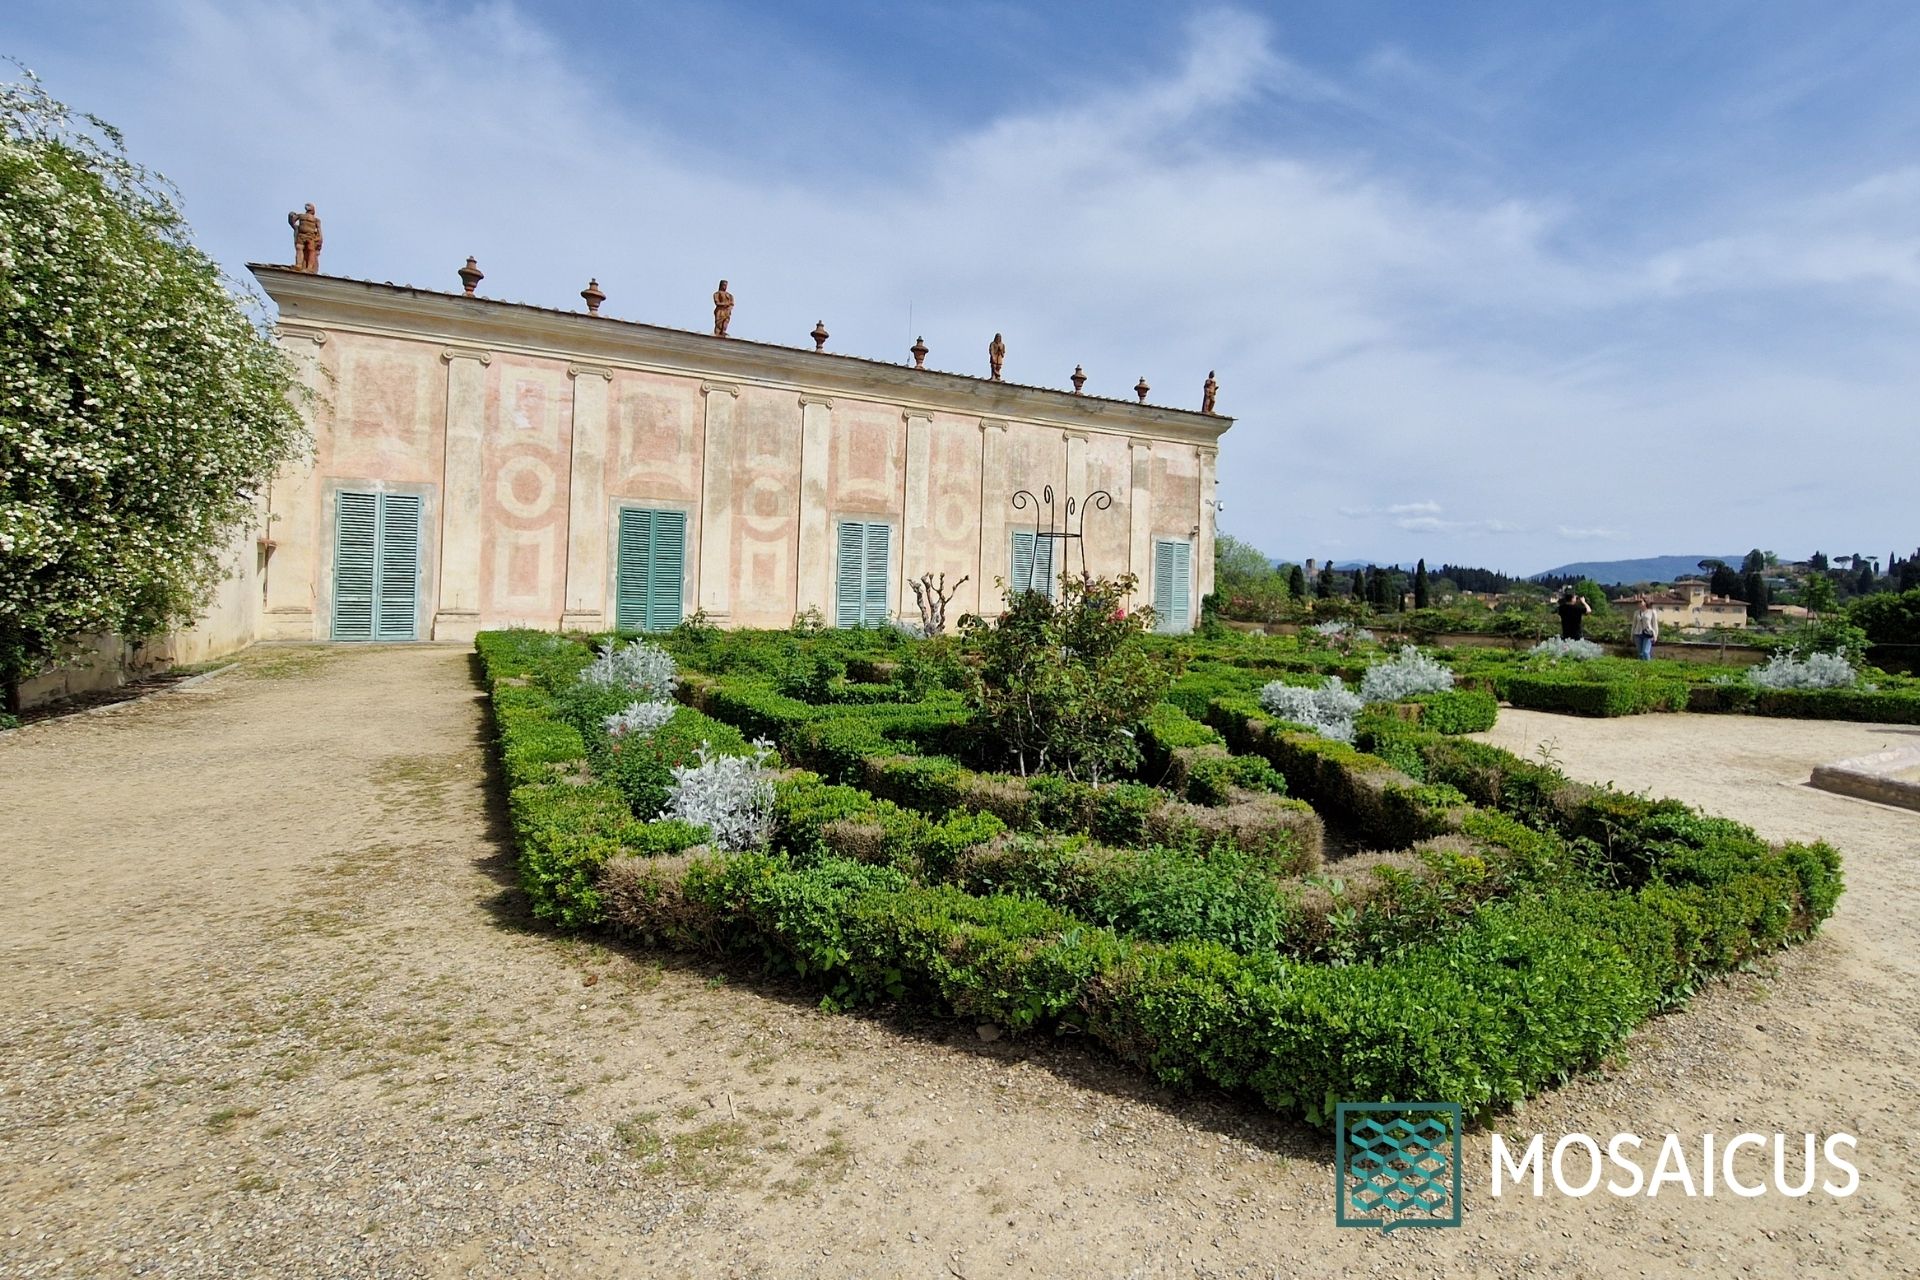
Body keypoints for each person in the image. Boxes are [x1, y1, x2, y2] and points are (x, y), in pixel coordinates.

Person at [1631, 595, 1660, 660]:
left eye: (1641, 602)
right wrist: (1631, 635)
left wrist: (1655, 635)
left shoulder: (1652, 612)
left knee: (1645, 652)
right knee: (1640, 653)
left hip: (1648, 634)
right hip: (1637, 634)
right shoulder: (1636, 612)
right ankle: (1641, 667)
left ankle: (1648, 666)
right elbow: (1634, 625)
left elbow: (1655, 625)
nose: (1639, 603)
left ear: (1646, 602)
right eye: (1638, 602)